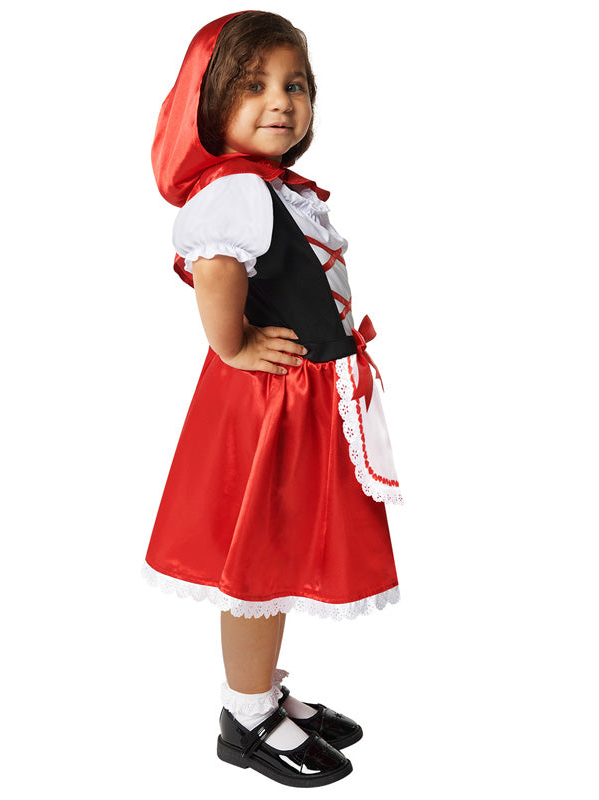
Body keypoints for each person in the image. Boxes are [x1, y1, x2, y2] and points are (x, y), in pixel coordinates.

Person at [142, 10, 404, 788]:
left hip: (296, 402)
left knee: (280, 555)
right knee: (259, 562)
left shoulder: (267, 188)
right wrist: (234, 346)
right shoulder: (236, 193)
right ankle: (246, 715)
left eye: (295, 85)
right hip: (270, 407)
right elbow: (218, 270)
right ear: (210, 103)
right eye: (253, 85)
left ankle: (260, 690)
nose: (280, 101)